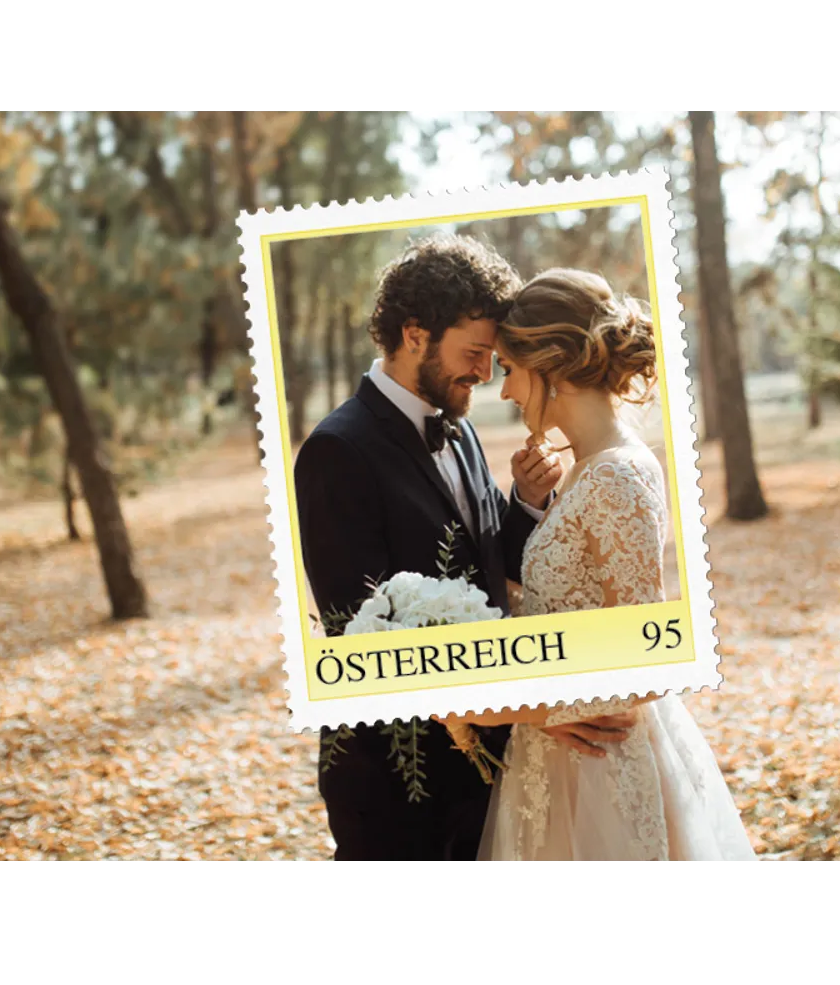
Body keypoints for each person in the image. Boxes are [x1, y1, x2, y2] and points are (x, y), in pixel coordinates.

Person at [294, 236, 638, 864]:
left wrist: (526, 508)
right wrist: (533, 710)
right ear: (414, 333)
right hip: (399, 786)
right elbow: (365, 636)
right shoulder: (336, 451)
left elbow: (484, 572)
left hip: (491, 777)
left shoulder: (463, 433)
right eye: (475, 354)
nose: (485, 374)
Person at [442, 267, 758, 863]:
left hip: (599, 770)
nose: (505, 391)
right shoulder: (585, 469)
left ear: (551, 364)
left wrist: (504, 708)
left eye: (510, 369)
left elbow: (646, 661)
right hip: (556, 765)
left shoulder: (617, 475)